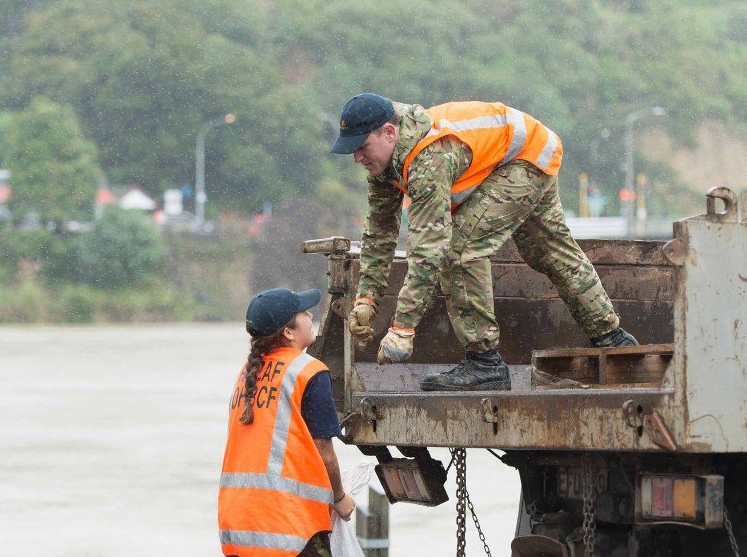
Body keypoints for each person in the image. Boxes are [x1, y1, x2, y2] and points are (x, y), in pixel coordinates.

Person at [330, 93, 638, 392]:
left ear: (388, 132)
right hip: (525, 150)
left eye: (362, 147)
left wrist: (402, 328)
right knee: (547, 250)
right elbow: (380, 232)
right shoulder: (385, 164)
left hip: (523, 157)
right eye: (351, 150)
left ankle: (484, 363)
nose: (357, 158)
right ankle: (612, 339)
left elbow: (428, 250)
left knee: (460, 250)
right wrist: (366, 299)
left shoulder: (429, 157)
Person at [218, 287, 356, 557]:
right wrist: (339, 498)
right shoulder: (309, 371)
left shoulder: (247, 373)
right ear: (289, 333)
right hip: (290, 529)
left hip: (239, 524)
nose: (310, 315)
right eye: (304, 313)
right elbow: (324, 452)